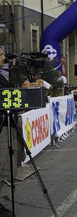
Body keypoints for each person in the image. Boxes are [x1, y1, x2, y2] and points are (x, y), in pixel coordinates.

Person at [0, 47, 43, 216]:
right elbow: (6, 100)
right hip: (2, 128)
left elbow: (11, 98)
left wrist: (28, 90)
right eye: (1, 55)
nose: (4, 57)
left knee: (4, 169)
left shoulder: (2, 77)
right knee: (1, 167)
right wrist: (23, 90)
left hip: (8, 126)